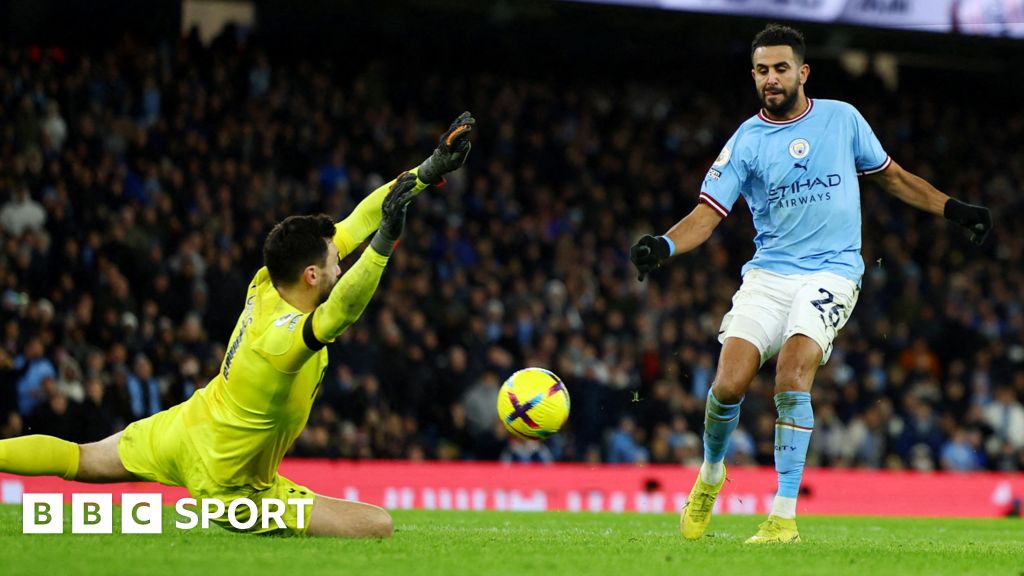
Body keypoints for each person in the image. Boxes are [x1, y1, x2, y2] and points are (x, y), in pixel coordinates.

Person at [0, 112, 475, 537]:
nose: (342, 257)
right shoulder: (282, 340)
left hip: (186, 428)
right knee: (378, 526)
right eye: (336, 259)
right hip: (231, 486)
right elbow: (341, 312)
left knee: (80, 458)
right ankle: (223, 516)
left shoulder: (268, 281)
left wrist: (427, 171)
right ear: (312, 275)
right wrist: (385, 244)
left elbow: (359, 218)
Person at [629, 24, 991, 544]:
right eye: (761, 71)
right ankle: (710, 475)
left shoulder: (842, 120)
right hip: (769, 273)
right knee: (728, 384)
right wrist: (662, 245)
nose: (770, 79)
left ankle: (782, 517)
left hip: (833, 271)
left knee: (791, 375)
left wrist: (954, 210)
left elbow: (893, 176)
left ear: (803, 72)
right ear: (753, 76)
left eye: (780, 69)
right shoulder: (746, 141)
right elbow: (707, 214)